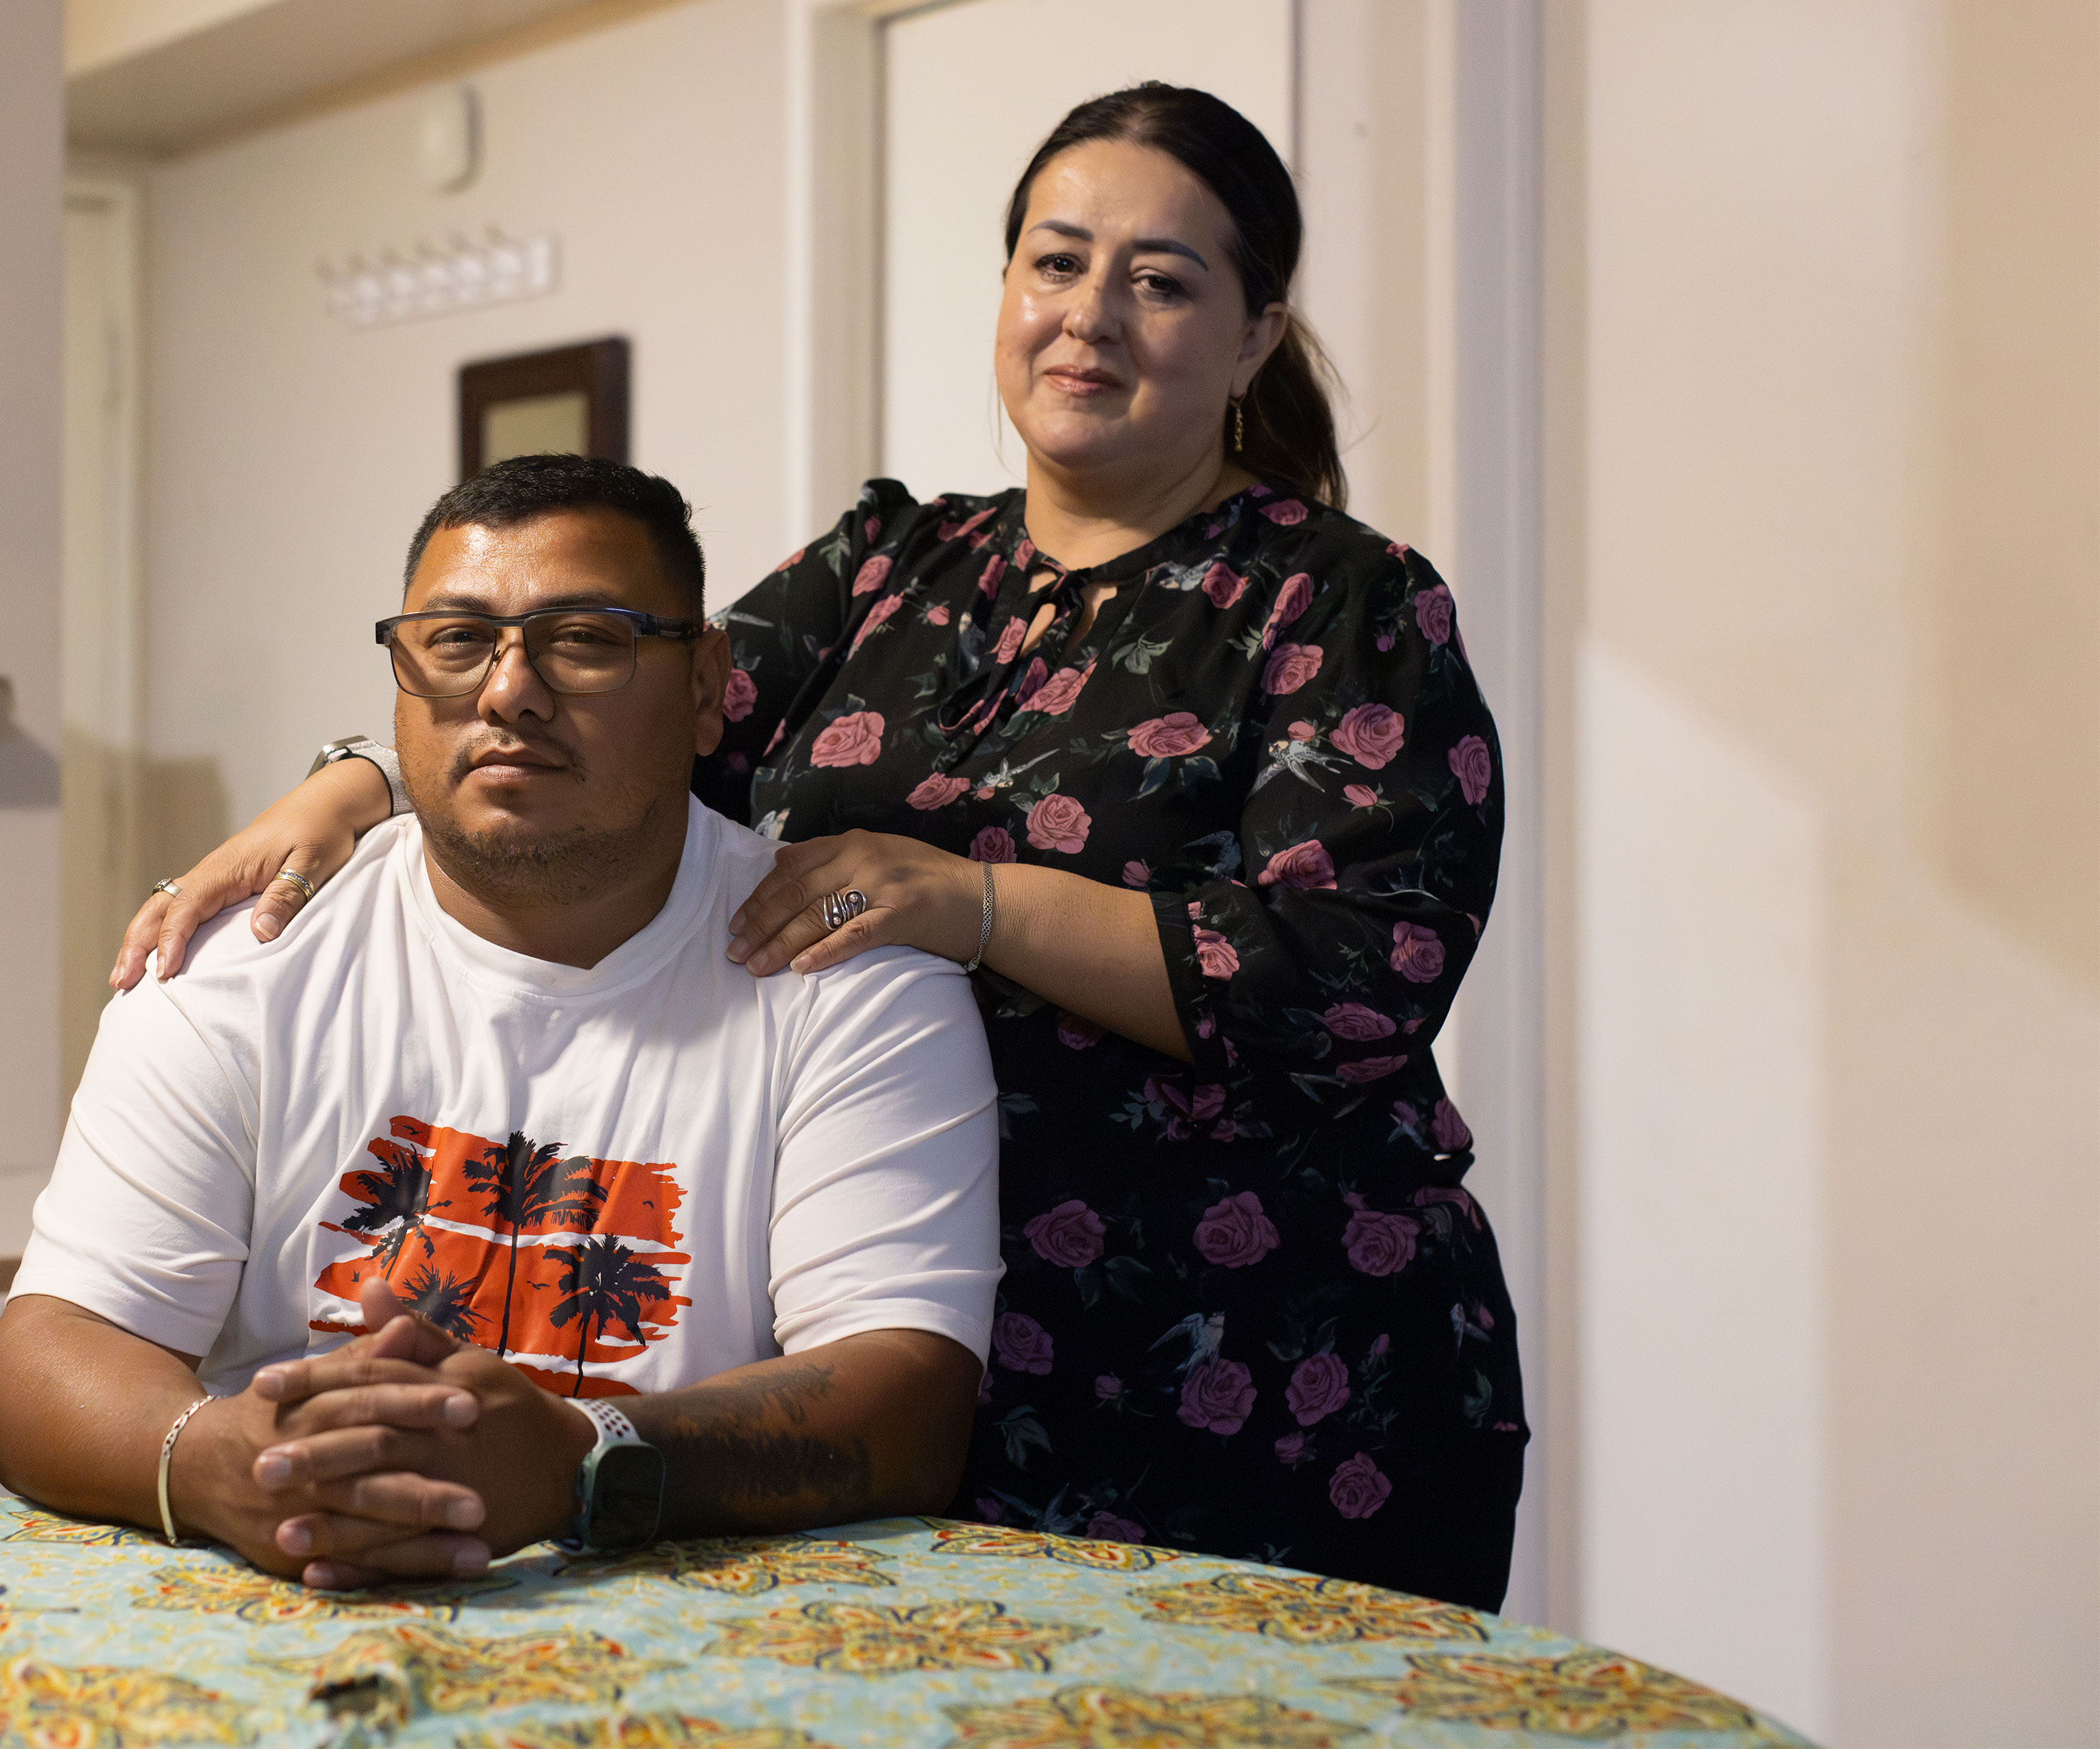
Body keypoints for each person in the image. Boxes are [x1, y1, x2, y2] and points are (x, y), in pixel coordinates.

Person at [115, 84, 1529, 1609]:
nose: (1091, 317)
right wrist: (350, 787)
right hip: (938, 1360)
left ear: (1254, 336)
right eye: (1056, 263)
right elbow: (632, 708)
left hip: (1273, 1370)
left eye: (1162, 281)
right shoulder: (895, 561)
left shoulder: (1338, 600)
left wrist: (978, 902)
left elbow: (1359, 978)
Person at [0, 455, 1002, 1588]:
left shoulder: (850, 978)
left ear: (709, 682)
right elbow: (47, 1359)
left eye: (586, 640)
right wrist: (218, 1461)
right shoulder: (233, 962)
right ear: (401, 682)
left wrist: (586, 1459)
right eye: (459, 642)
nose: (509, 692)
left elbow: (905, 1395)